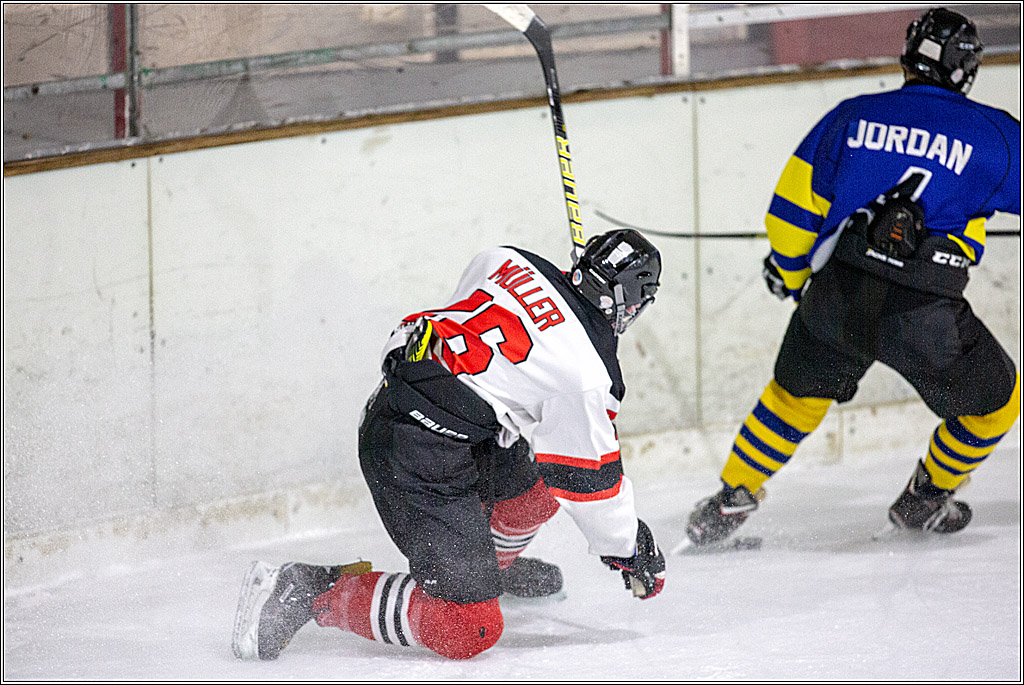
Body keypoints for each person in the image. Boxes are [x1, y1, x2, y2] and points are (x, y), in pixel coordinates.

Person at [232, 229, 666, 661]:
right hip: (413, 455)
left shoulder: (509, 258)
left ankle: (485, 570)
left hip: (429, 412)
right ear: (634, 299)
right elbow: (589, 484)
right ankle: (309, 590)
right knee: (468, 628)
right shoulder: (588, 376)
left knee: (537, 490)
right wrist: (632, 548)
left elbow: (472, 317)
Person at [685, 7, 1020, 547]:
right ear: (967, 69)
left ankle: (727, 504)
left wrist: (791, 273)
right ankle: (924, 499)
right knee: (996, 403)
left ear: (908, 57)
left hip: (838, 293)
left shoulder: (851, 116)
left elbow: (793, 212)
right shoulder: (996, 135)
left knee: (790, 399)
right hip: (925, 312)